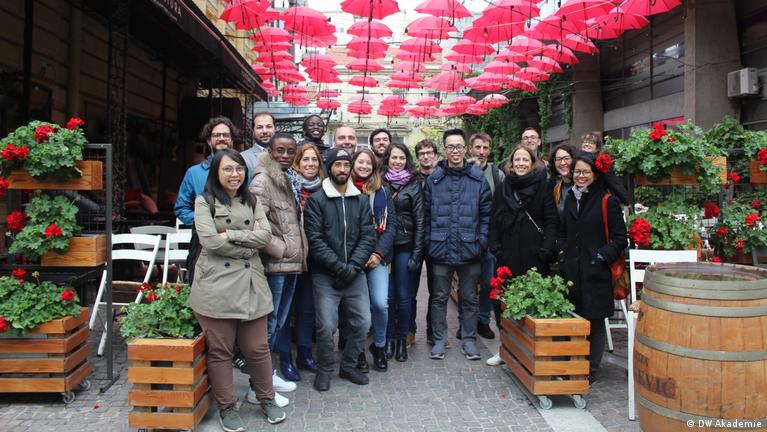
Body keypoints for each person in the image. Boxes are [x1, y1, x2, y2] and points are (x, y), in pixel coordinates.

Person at [190, 149, 286, 429]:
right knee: (221, 351)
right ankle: (227, 407)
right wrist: (248, 241)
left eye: (240, 169)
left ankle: (266, 397)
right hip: (216, 285)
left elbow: (265, 236)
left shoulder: (252, 200)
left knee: (258, 348)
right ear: (216, 173)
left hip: (251, 283)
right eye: (228, 169)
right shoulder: (204, 201)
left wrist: (231, 234)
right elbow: (210, 242)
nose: (235, 174)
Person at [303, 148, 376, 391]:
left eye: (346, 165)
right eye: (338, 165)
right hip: (326, 275)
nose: (342, 169)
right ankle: (325, 369)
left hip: (355, 274)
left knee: (363, 322)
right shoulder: (316, 200)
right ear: (329, 168)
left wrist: (353, 267)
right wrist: (337, 267)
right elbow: (315, 240)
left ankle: (349, 365)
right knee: (326, 326)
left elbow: (368, 236)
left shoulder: (361, 200)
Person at [556, 152, 628, 384]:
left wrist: (601, 257)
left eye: (585, 172)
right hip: (572, 271)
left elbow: (620, 239)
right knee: (573, 319)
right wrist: (562, 251)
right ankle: (572, 364)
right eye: (577, 171)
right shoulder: (570, 197)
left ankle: (591, 369)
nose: (581, 176)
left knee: (595, 322)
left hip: (596, 272)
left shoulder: (608, 201)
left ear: (595, 175)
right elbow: (564, 231)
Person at [486, 146, 558, 366]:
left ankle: (529, 353)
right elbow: (493, 219)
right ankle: (505, 349)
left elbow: (551, 220)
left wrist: (546, 249)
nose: (520, 163)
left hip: (534, 256)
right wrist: (496, 247)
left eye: (525, 159)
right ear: (511, 163)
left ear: (532, 162)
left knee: (533, 303)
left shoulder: (543, 187)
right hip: (507, 255)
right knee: (502, 303)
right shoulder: (503, 187)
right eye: (517, 159)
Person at [424, 129, 492, 361]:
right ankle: (439, 340)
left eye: (459, 146)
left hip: (470, 248)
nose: (455, 151)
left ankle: (469, 340)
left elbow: (486, 215)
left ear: (466, 149)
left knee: (470, 297)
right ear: (444, 149)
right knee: (439, 297)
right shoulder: (434, 179)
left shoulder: (478, 178)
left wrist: (482, 242)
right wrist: (429, 243)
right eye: (450, 146)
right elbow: (425, 215)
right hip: (440, 248)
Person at [249, 133, 307, 390]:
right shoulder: (263, 180)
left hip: (290, 263)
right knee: (270, 323)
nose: (285, 155)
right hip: (275, 264)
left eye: (290, 151)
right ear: (270, 152)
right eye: (280, 150)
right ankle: (259, 384)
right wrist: (280, 249)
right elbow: (254, 223)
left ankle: (266, 377)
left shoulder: (288, 177)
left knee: (279, 321)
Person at [273, 144, 325, 379]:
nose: (310, 164)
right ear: (297, 163)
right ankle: (285, 358)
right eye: (306, 159)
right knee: (285, 308)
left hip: (315, 257)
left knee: (307, 308)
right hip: (290, 256)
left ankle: (305, 354)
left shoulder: (325, 188)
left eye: (314, 160)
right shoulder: (287, 185)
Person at [349, 149, 396, 371]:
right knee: (356, 308)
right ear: (353, 164)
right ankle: (357, 350)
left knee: (380, 303)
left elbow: (391, 227)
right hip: (353, 258)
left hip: (377, 258)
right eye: (360, 162)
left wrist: (378, 254)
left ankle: (379, 346)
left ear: (374, 167)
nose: (364, 166)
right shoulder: (344, 189)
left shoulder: (383, 192)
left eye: (368, 163)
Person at [382, 143, 424, 364]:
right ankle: (389, 338)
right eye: (394, 157)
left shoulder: (414, 184)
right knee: (388, 297)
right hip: (384, 247)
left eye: (401, 158)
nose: (397, 161)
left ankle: (401, 340)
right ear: (387, 159)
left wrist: (417, 254)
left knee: (403, 296)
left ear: (407, 160)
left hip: (405, 246)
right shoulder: (380, 181)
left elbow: (420, 221)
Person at [466, 132, 505, 341]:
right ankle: (466, 321)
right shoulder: (462, 171)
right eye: (478, 147)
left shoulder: (497, 174)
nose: (481, 152)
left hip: (489, 236)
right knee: (467, 282)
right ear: (470, 148)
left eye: (485, 148)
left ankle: (482, 320)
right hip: (466, 236)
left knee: (488, 282)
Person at [174, 116, 237, 226]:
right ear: (208, 141)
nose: (221, 138)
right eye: (217, 135)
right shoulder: (194, 173)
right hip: (204, 234)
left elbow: (251, 204)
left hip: (237, 233)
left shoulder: (243, 171)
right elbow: (181, 208)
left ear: (232, 140)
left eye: (226, 135)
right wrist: (203, 222)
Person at [412, 138, 439, 346]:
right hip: (413, 239)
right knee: (409, 289)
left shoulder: (442, 177)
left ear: (436, 155)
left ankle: (434, 331)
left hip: (436, 239)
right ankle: (409, 330)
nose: (426, 156)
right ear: (417, 157)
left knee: (436, 289)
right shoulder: (411, 178)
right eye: (422, 154)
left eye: (429, 152)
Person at [578, 131, 630, 205]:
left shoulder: (601, 163)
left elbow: (614, 183)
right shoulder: (575, 160)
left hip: (596, 201)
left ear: (597, 148)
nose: (587, 144)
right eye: (585, 142)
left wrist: (628, 202)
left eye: (591, 142)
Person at [548, 144, 577, 217]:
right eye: (558, 159)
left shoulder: (583, 186)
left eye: (566, 158)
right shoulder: (556, 189)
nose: (562, 163)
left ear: (574, 159)